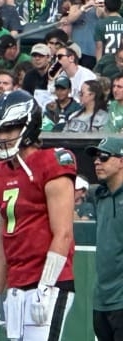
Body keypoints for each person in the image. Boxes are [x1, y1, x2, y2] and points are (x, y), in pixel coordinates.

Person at [0, 89, 76, 340]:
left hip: (48, 281)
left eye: (10, 129)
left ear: (29, 126)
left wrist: (46, 286)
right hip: (17, 282)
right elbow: (4, 237)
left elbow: (64, 233)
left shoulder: (52, 162)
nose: (2, 137)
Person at [86, 136, 123, 341]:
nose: (97, 161)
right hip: (101, 300)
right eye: (96, 157)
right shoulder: (99, 197)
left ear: (121, 161)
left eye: (104, 157)